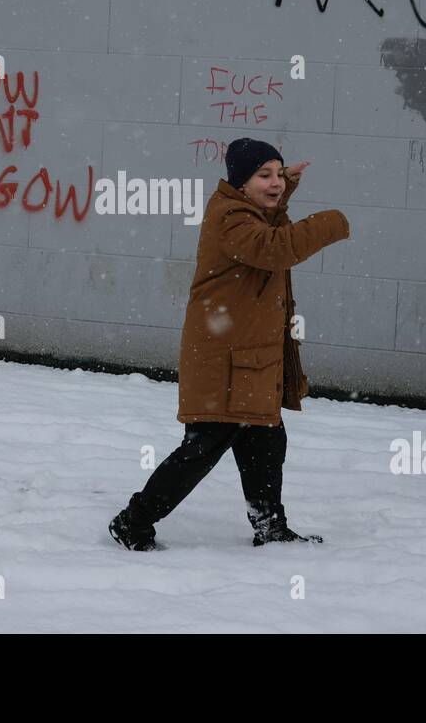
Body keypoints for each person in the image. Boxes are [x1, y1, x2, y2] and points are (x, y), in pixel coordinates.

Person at [109, 138, 350, 550]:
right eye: (264, 175)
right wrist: (331, 222)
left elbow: (271, 228)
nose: (274, 183)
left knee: (267, 442)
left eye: (279, 173)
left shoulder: (251, 210)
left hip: (248, 362)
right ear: (240, 183)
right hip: (222, 361)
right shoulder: (231, 217)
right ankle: (133, 521)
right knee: (202, 449)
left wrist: (284, 188)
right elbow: (275, 247)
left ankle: (270, 527)